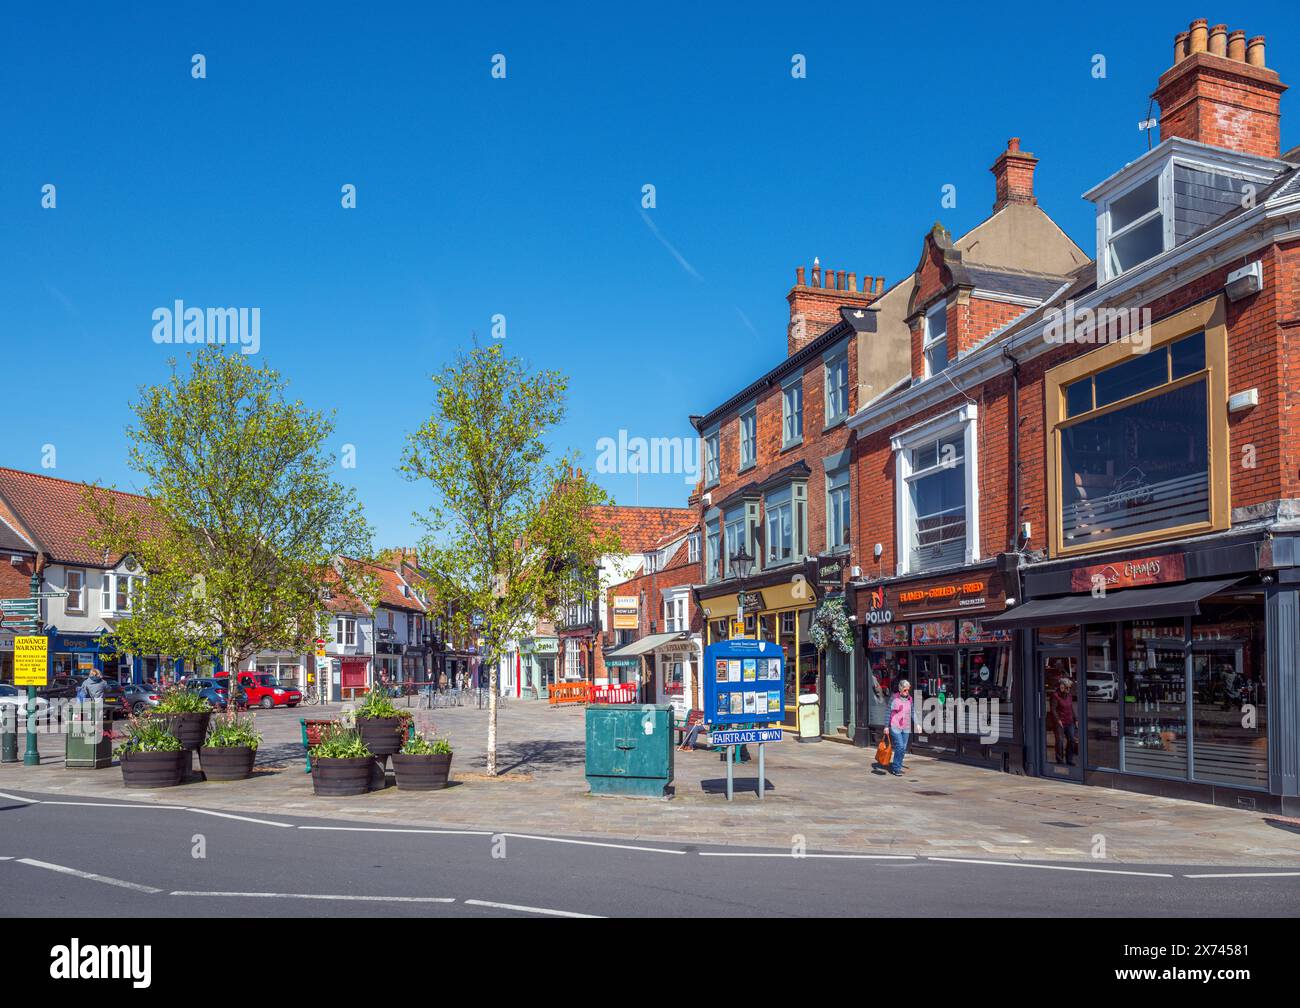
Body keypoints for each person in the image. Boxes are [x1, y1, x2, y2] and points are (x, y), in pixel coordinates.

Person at [887, 679, 913, 777]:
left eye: (908, 690)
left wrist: (918, 723)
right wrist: (886, 726)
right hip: (895, 726)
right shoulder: (894, 698)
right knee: (900, 746)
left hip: (906, 726)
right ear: (900, 689)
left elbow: (913, 712)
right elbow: (888, 712)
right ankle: (896, 768)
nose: (907, 692)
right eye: (905, 690)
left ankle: (898, 765)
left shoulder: (910, 699)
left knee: (903, 748)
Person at [1050, 676, 1077, 765]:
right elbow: (1053, 709)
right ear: (1062, 687)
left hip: (1069, 722)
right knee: (1060, 741)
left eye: (1069, 688)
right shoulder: (1055, 695)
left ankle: (1069, 759)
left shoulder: (1069, 696)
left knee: (1072, 740)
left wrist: (1075, 719)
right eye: (1067, 688)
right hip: (1059, 723)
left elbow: (1071, 708)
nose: (1069, 689)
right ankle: (1060, 760)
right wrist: (1058, 720)